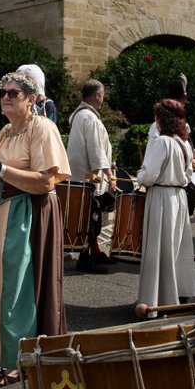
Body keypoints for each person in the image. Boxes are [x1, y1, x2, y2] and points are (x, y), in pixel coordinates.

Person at [0, 71, 70, 386]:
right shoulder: (5, 131)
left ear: (31, 99)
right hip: (3, 212)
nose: (6, 97)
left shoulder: (42, 127)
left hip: (28, 213)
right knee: (3, 285)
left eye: (13, 93)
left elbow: (46, 181)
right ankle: (9, 356)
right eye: (3, 92)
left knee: (19, 288)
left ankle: (22, 360)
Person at [135, 99, 195, 316]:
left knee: (158, 250)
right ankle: (171, 297)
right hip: (179, 197)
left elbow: (149, 175)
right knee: (172, 250)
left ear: (163, 118)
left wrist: (139, 176)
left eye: (157, 116)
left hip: (161, 197)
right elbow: (189, 175)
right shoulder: (184, 144)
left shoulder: (162, 143)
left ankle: (154, 301)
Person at [65, 79, 117, 274]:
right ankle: (85, 259)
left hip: (83, 175)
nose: (103, 98)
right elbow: (95, 152)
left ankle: (94, 252)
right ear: (97, 95)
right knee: (90, 217)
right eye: (102, 94)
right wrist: (110, 177)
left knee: (91, 217)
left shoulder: (82, 116)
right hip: (89, 177)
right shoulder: (90, 118)